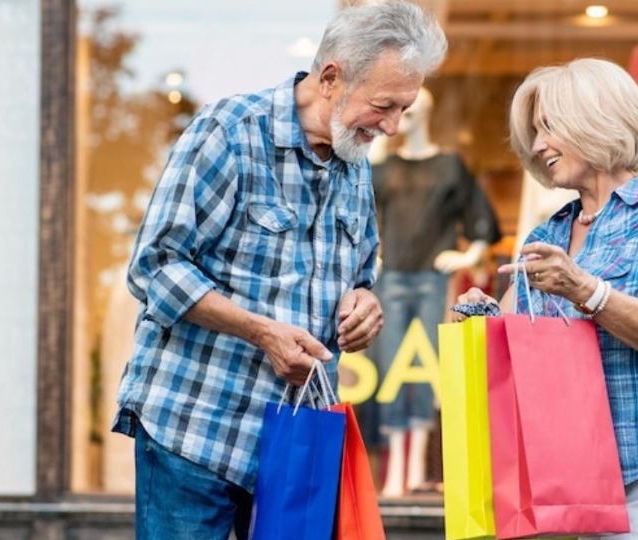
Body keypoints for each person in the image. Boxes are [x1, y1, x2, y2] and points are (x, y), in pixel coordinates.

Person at [111, 2, 447, 538]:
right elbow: (156, 267)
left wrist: (364, 303)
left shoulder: (352, 159)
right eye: (385, 105)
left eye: (403, 109)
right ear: (331, 78)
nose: (393, 125)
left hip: (295, 445)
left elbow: (360, 272)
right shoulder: (230, 131)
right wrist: (262, 332)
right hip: (196, 431)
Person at [454, 58, 638, 539]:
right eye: (534, 133)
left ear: (598, 118)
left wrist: (584, 289)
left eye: (549, 128)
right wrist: (481, 316)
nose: (538, 146)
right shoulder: (551, 231)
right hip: (585, 468)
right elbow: (516, 333)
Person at [371, 87, 501, 497]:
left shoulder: (449, 167)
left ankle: (414, 466)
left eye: (407, 112)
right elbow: (361, 216)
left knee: (426, 363)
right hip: (390, 276)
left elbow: (480, 217)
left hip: (431, 278)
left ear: (422, 115)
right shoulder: (382, 168)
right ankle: (395, 467)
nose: (399, 121)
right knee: (394, 366)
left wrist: (468, 255)